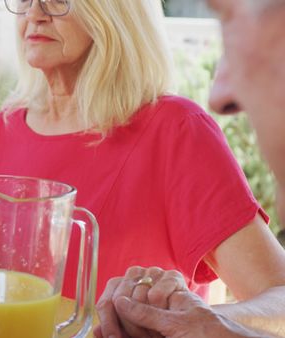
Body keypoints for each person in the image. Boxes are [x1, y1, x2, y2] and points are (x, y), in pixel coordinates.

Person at [94, 0, 285, 337]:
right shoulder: (5, 128)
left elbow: (280, 296)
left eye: (59, 1)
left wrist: (198, 323)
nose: (35, 13)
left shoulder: (177, 127)